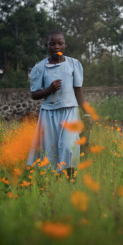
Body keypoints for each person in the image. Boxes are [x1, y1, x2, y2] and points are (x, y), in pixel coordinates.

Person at [26, 30, 91, 179]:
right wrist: (49, 89)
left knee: (69, 147)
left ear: (65, 45)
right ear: (47, 46)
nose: (56, 47)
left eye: (60, 43)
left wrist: (87, 113)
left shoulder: (74, 64)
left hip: (70, 111)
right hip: (49, 113)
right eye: (52, 44)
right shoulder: (40, 67)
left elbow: (78, 91)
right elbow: (34, 94)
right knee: (50, 149)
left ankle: (71, 179)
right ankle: (52, 180)